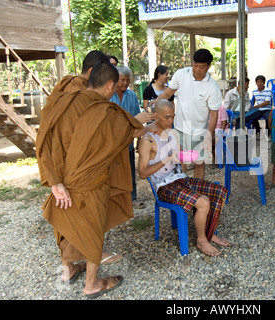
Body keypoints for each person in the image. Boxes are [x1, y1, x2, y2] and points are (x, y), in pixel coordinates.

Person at [36, 61, 157, 298]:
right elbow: (131, 131)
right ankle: (92, 284)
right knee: (93, 228)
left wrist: (54, 181)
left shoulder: (63, 101)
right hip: (89, 182)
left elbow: (45, 139)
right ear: (110, 85)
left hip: (62, 179)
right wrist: (146, 124)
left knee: (68, 224)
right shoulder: (104, 112)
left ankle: (69, 269)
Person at [137, 100, 230, 257]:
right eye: (166, 117)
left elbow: (179, 159)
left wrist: (194, 155)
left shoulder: (173, 134)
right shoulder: (148, 140)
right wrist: (166, 159)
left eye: (173, 117)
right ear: (156, 116)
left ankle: (209, 232)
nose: (171, 121)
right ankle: (202, 240)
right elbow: (142, 173)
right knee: (203, 201)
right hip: (164, 186)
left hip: (180, 179)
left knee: (220, 191)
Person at [155, 49, 222, 180]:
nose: (197, 69)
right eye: (195, 65)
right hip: (180, 127)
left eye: (202, 67)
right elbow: (167, 93)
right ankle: (183, 189)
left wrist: (209, 134)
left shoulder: (212, 87)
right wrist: (155, 104)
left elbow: (214, 114)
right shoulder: (181, 74)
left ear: (208, 66)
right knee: (181, 160)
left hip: (199, 131)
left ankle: (198, 191)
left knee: (199, 163)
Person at [109, 66, 147, 201]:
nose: (125, 83)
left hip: (129, 141)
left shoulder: (131, 95)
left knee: (130, 170)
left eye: (127, 80)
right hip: (112, 142)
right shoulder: (109, 95)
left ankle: (132, 197)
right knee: (114, 172)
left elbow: (138, 119)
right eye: (122, 80)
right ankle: (116, 197)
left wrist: (140, 139)